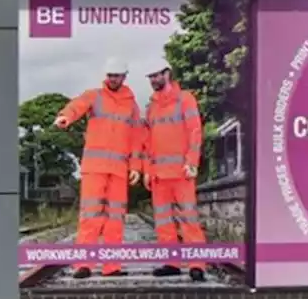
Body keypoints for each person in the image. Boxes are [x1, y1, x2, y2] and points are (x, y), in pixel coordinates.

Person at [53, 58, 145, 278]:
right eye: (110, 75)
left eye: (117, 76)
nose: (113, 79)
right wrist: (65, 116)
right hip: (95, 168)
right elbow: (77, 105)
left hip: (119, 170)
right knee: (90, 215)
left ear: (124, 76)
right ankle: (83, 264)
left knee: (115, 218)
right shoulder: (95, 96)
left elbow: (136, 138)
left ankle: (111, 266)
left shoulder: (131, 106)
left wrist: (135, 166)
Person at [142, 60, 208, 282]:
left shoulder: (185, 99)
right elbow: (147, 142)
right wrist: (147, 170)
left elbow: (194, 132)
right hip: (159, 176)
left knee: (188, 218)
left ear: (167, 73)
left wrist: (192, 161)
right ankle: (171, 262)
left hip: (181, 172)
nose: (153, 80)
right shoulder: (150, 107)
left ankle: (196, 264)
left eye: (156, 75)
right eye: (150, 77)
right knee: (163, 221)